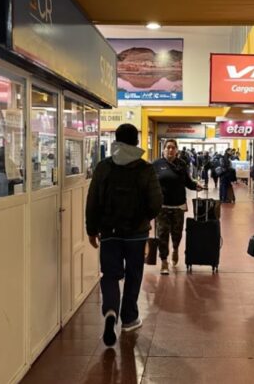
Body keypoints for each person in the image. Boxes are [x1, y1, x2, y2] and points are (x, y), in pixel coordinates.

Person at [86, 124, 163, 346]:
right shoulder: (145, 169)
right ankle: (129, 318)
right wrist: (144, 219)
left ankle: (111, 310)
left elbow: (93, 201)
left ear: (116, 141)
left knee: (110, 274)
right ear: (136, 142)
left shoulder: (103, 167)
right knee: (133, 274)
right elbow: (156, 203)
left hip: (109, 232)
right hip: (137, 234)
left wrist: (92, 230)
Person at [153, 139, 204, 274]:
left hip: (178, 206)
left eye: (173, 148)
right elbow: (150, 184)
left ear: (176, 150)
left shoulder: (181, 164)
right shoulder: (156, 165)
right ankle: (164, 261)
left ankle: (175, 249)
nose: (170, 150)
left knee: (177, 234)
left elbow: (187, 181)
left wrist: (195, 186)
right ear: (164, 149)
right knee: (162, 234)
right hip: (162, 206)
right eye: (168, 147)